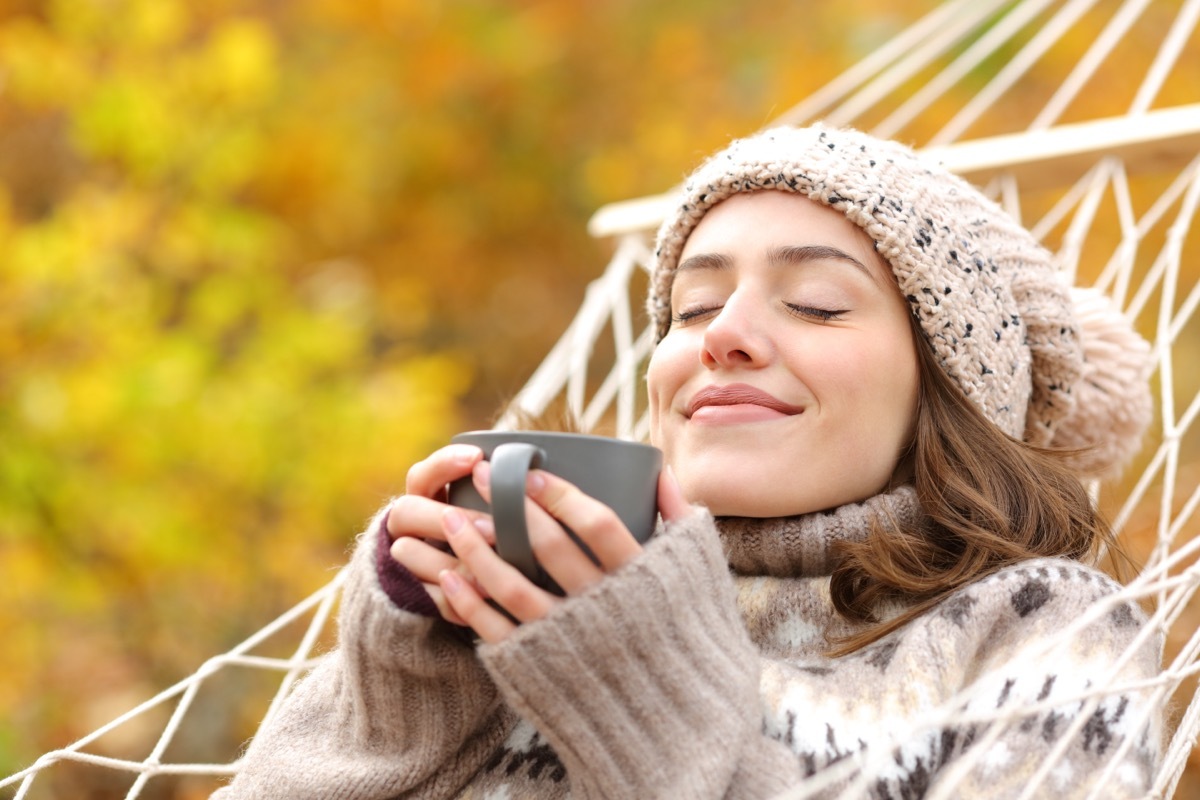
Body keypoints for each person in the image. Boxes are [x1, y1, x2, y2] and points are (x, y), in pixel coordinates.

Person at [212, 125, 1162, 799]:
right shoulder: (533, 600)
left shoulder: (1034, 627)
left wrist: (647, 690)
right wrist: (404, 691)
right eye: (694, 309)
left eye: (819, 304)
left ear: (948, 392)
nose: (726, 337)